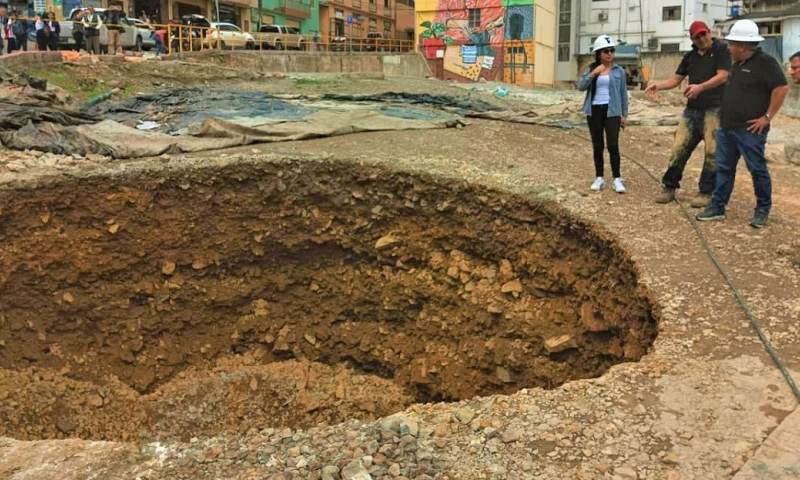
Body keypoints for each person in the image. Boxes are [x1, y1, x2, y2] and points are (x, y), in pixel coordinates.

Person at [696, 19, 790, 228]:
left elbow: (781, 88)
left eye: (731, 44)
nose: (728, 48)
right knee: (724, 168)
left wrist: (767, 117)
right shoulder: (737, 64)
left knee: (757, 169)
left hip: (749, 129)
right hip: (727, 127)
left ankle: (762, 210)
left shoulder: (766, 63)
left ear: (742, 46)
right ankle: (718, 207)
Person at [646, 21, 731, 207]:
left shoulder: (721, 50)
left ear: (709, 33)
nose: (702, 39)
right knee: (678, 148)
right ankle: (669, 187)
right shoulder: (690, 56)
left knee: (712, 152)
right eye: (697, 36)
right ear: (692, 39)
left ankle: (705, 192)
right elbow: (676, 79)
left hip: (715, 109)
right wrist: (658, 85)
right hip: (692, 111)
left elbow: (723, 75)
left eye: (703, 34)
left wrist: (701, 87)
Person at [577, 34, 629, 193]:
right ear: (598, 53)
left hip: (612, 110)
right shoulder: (592, 69)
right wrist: (593, 74)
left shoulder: (619, 71)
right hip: (594, 111)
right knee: (597, 145)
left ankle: (617, 179)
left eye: (611, 50)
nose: (609, 54)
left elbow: (623, 94)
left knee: (613, 145)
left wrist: (624, 114)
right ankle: (599, 178)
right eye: (606, 51)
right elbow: (580, 86)